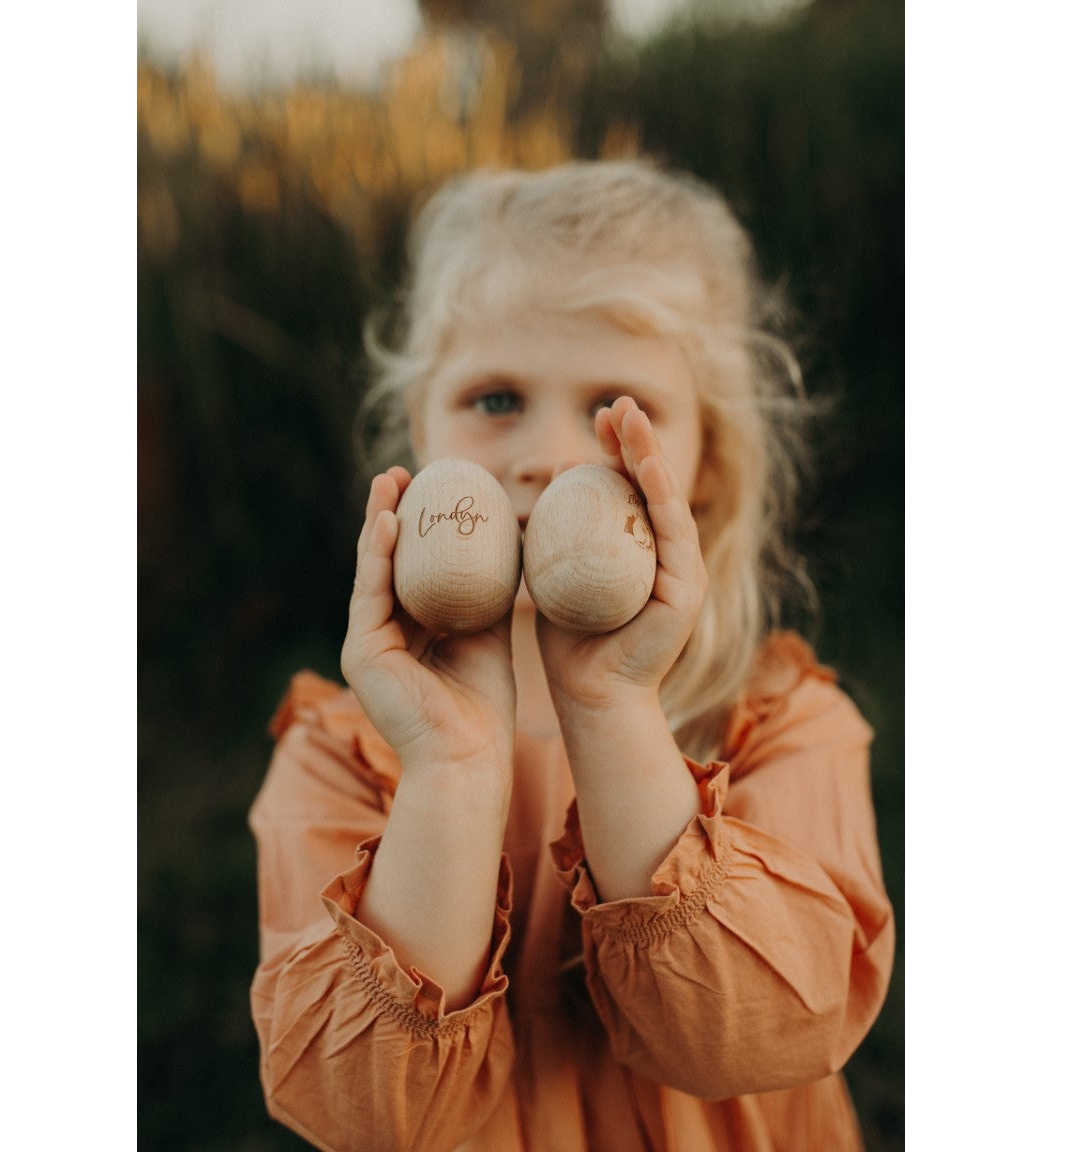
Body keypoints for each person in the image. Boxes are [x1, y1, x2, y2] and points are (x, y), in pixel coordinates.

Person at [249, 159, 895, 1152]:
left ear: (707, 466)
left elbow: (768, 1029)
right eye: (496, 400)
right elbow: (364, 1113)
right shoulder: (345, 754)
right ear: (422, 436)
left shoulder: (785, 729)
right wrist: (453, 770)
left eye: (614, 409)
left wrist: (611, 709)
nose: (547, 454)